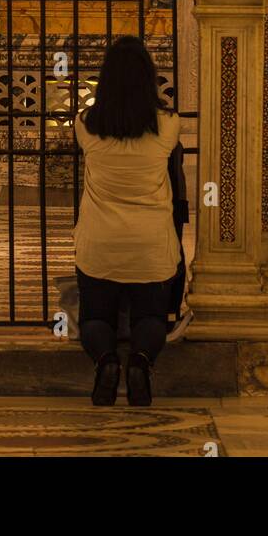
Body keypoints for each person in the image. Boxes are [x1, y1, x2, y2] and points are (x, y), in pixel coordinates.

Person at [74, 35, 181, 407]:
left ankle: (105, 362)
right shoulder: (168, 124)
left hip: (99, 240)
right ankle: (140, 361)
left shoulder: (84, 123)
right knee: (150, 314)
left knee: (94, 316)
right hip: (150, 241)